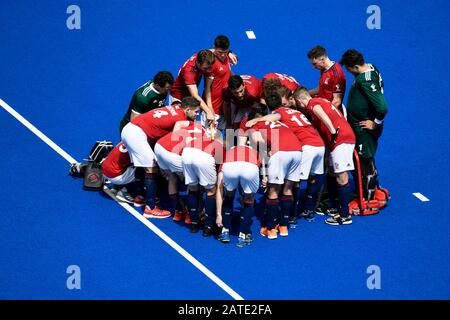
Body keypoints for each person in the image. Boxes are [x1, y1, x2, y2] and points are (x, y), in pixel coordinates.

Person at [245, 93, 325, 224]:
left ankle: (290, 216)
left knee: (294, 182)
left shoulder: (277, 114)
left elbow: (274, 118)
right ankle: (309, 210)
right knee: (313, 177)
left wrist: (255, 121)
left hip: (305, 146)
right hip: (318, 143)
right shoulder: (296, 112)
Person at [121, 97, 200, 219]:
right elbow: (174, 141)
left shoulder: (175, 108)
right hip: (137, 134)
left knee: (142, 165)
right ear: (188, 109)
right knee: (151, 168)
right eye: (195, 111)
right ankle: (150, 208)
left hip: (131, 129)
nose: (197, 114)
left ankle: (140, 197)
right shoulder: (181, 118)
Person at [294, 87, 355, 226]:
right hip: (339, 140)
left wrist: (333, 132)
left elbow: (321, 114)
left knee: (341, 176)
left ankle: (345, 215)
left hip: (340, 139)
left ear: (299, 101)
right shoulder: (322, 100)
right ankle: (334, 207)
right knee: (333, 173)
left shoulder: (312, 104)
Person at [242, 104, 302, 238]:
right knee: (287, 189)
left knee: (273, 191)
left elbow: (260, 146)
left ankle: (270, 229)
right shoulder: (280, 124)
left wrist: (264, 174)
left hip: (281, 152)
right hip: (298, 151)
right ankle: (284, 226)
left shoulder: (255, 126)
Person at [340, 49, 388, 202]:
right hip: (362, 126)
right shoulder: (371, 68)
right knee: (368, 157)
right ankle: (373, 188)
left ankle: (366, 198)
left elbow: (382, 107)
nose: (347, 72)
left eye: (348, 68)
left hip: (364, 128)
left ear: (354, 66)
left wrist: (375, 123)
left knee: (363, 160)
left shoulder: (364, 80)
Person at [216, 145, 260, 247]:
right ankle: (243, 235)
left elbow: (219, 188)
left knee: (229, 195)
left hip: (230, 167)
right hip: (250, 167)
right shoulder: (254, 151)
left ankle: (225, 231)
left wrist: (219, 215)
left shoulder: (229, 151)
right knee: (249, 199)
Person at [169, 50, 216, 121]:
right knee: (179, 122)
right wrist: (208, 111)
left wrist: (229, 52)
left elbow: (214, 49)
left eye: (210, 68)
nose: (209, 71)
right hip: (178, 97)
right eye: (205, 68)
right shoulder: (188, 72)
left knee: (191, 125)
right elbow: (195, 95)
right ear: (197, 63)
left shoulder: (203, 55)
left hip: (190, 97)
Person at [202, 35, 233, 129]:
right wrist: (209, 109)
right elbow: (207, 88)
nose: (223, 55)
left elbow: (228, 72)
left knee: (220, 134)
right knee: (208, 139)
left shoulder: (226, 57)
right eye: (220, 52)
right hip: (213, 108)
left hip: (223, 106)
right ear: (214, 48)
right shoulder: (212, 64)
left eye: (225, 52)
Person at [307, 45, 346, 114]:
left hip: (332, 114)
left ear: (322, 59)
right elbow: (322, 88)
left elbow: (337, 101)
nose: (313, 67)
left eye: (315, 64)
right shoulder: (323, 69)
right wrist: (306, 94)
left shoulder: (336, 74)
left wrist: (324, 115)